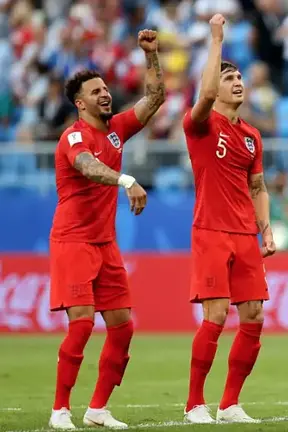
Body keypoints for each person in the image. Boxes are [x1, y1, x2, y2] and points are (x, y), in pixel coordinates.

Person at [48, 30, 165, 430]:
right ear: (80, 103)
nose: (105, 94)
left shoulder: (116, 129)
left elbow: (154, 99)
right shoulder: (74, 136)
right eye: (95, 91)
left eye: (105, 89)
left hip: (105, 244)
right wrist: (126, 179)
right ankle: (60, 410)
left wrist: (151, 55)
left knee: (122, 326)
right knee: (82, 323)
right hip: (73, 241)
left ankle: (97, 408)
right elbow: (87, 167)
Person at [181, 14, 276, 424]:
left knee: (253, 317)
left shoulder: (252, 136)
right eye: (228, 77)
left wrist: (265, 229)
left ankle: (230, 403)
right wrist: (216, 38)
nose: (238, 81)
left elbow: (258, 187)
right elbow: (203, 92)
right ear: (214, 87)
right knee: (216, 316)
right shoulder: (200, 124)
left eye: (239, 76)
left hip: (244, 235)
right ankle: (194, 404)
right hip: (211, 231)